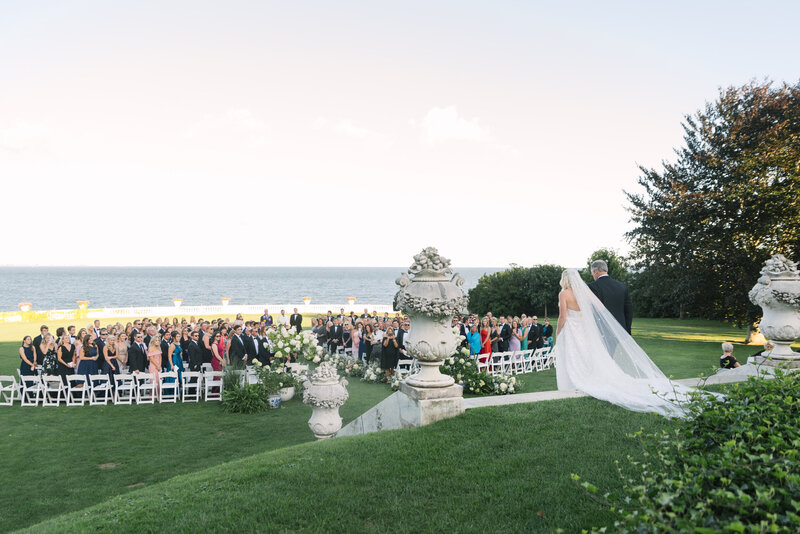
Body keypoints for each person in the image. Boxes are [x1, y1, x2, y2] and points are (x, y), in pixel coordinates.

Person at [553, 268, 690, 417]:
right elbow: (600, 307)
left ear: (564, 279)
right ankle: (591, 378)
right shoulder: (584, 293)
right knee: (588, 354)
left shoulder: (563, 294)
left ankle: (578, 382)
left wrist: (558, 332)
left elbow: (563, 317)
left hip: (573, 330)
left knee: (575, 356)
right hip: (584, 330)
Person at [588, 260, 633, 334]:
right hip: (620, 330)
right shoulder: (622, 286)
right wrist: (627, 331)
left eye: (592, 273)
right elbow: (629, 310)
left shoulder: (592, 287)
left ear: (595, 271)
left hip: (601, 330)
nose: (592, 275)